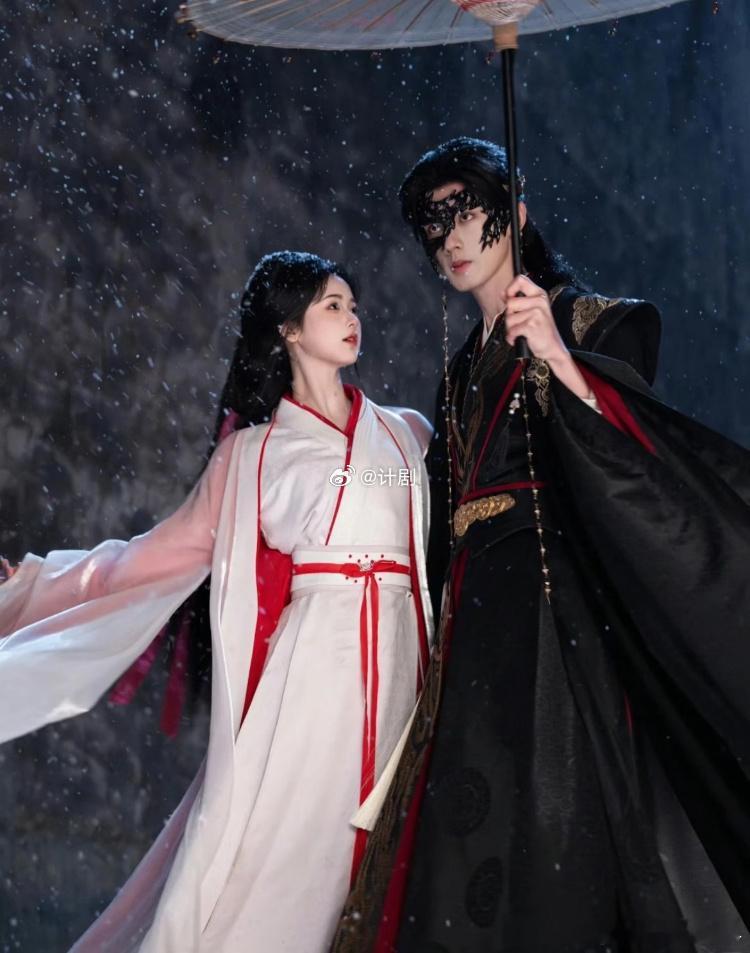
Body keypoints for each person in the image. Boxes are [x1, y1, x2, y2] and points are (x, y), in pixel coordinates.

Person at [331, 138, 750, 953]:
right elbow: (435, 506)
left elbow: (629, 447)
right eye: (433, 225)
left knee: (559, 826)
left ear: (515, 215)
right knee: (463, 831)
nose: (450, 238)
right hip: (475, 616)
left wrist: (557, 355)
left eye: (467, 213)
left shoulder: (593, 321)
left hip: (558, 603)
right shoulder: (457, 373)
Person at [0, 250, 433, 953]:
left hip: (406, 661)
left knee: (404, 861)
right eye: (331, 305)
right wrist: (34, 583)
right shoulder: (252, 455)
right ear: (288, 329)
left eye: (352, 305)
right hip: (313, 676)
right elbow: (150, 558)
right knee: (288, 866)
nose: (351, 317)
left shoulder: (407, 432)